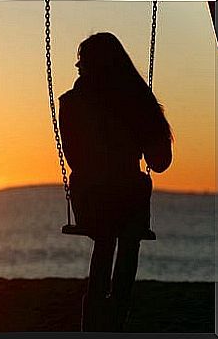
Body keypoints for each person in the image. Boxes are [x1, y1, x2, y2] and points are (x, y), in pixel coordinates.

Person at [58, 32, 173, 332]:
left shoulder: (72, 103)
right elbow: (160, 163)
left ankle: (94, 317)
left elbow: (74, 159)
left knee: (107, 239)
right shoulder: (137, 99)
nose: (78, 67)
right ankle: (117, 313)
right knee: (128, 237)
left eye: (81, 62)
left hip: (91, 197)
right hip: (127, 197)